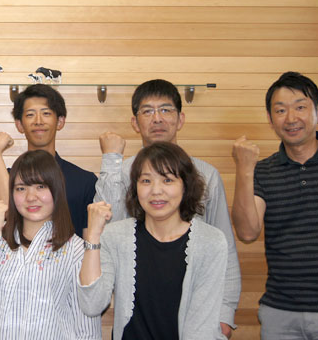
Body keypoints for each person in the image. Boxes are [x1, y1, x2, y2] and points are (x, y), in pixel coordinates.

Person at [94, 79, 240, 336]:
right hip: (140, 313)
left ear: (180, 119)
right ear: (135, 122)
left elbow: (224, 246)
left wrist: (225, 314)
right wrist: (111, 162)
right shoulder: (122, 172)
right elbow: (106, 229)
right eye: (147, 111)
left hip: (196, 311)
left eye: (165, 109)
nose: (157, 118)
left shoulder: (206, 175)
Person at [78, 142, 228, 340]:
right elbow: (91, 305)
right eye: (146, 181)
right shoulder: (115, 237)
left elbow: (201, 329)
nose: (156, 191)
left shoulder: (211, 242)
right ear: (135, 187)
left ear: (186, 186)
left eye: (167, 180)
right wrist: (93, 237)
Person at [232, 71, 318, 339]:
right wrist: (244, 169)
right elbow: (247, 232)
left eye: (300, 107)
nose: (291, 118)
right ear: (270, 120)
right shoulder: (263, 170)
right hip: (280, 312)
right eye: (280, 110)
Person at [0, 150, 101, 340]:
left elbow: (86, 325)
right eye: (21, 188)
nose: (31, 197)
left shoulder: (74, 249)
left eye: (41, 186)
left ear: (57, 189)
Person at [0, 84, 97, 237]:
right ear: (19, 125)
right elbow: (5, 212)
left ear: (60, 121)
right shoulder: (8, 177)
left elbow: (90, 240)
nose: (38, 121)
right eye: (30, 115)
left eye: (46, 113)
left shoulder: (84, 181)